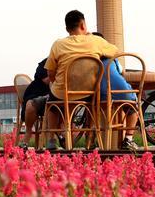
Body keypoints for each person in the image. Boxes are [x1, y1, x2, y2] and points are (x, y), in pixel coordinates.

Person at [43, 10, 138, 152]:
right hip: (89, 93)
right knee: (123, 103)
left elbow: (51, 73)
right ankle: (119, 139)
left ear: (67, 29)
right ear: (83, 25)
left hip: (63, 93)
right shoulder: (95, 41)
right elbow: (115, 51)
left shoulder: (58, 44)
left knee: (52, 106)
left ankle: (52, 140)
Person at [17, 59, 50, 148]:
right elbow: (45, 80)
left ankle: (58, 137)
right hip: (37, 93)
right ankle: (28, 132)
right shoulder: (44, 64)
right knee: (30, 105)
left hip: (58, 94)